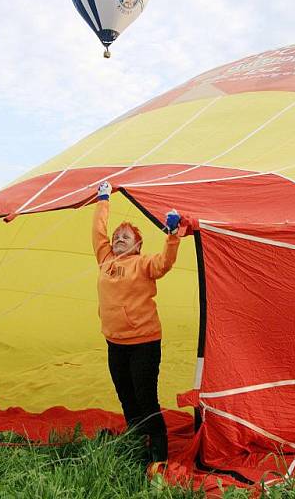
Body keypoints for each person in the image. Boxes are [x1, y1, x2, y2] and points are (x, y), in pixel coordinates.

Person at [91, 181, 183, 464]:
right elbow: (98, 232)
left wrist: (172, 236)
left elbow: (165, 263)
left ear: (138, 245)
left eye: (126, 236)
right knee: (125, 395)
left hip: (143, 342)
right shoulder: (105, 259)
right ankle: (136, 439)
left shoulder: (144, 264)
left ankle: (158, 453)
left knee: (145, 397)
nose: (118, 238)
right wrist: (103, 199)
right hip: (114, 342)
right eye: (117, 235)